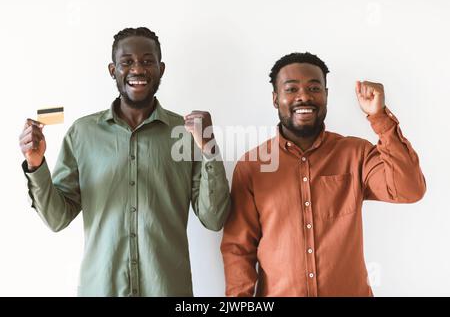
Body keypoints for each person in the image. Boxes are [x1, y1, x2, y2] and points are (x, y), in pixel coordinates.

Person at [19, 27, 230, 296]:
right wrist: (36, 166)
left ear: (161, 69)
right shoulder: (82, 133)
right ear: (112, 69)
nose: (138, 69)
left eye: (147, 61)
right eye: (127, 62)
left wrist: (209, 146)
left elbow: (213, 219)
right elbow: (57, 219)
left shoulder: (186, 134)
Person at [220, 52, 426, 297]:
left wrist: (379, 117)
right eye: (291, 89)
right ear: (276, 99)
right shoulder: (252, 166)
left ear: (326, 95)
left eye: (314, 88)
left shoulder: (356, 154)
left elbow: (409, 189)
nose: (304, 96)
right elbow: (238, 249)